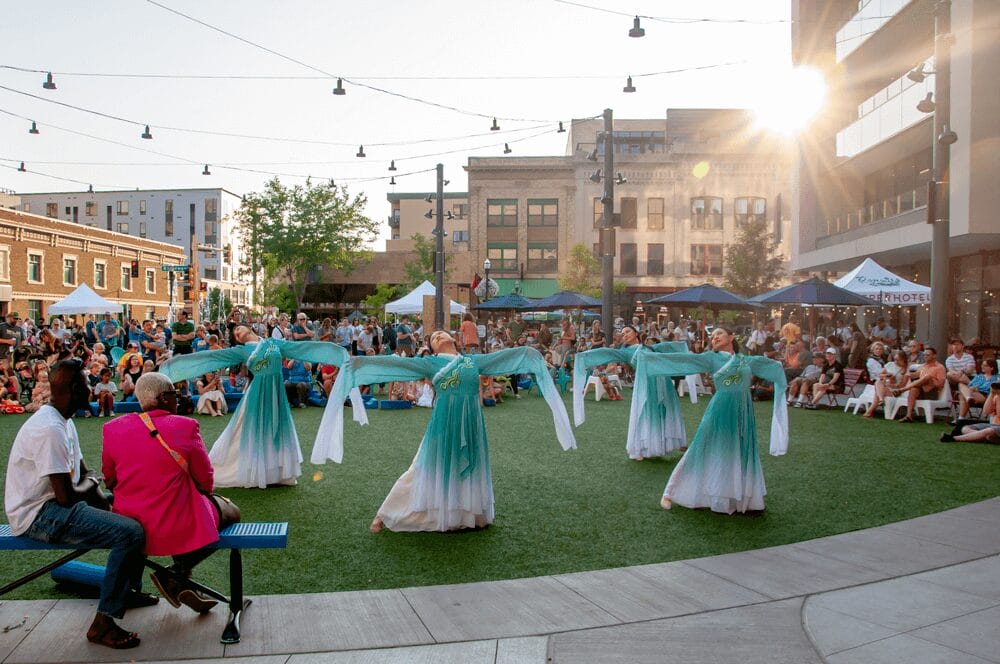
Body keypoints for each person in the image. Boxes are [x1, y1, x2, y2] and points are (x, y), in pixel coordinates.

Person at [313, 332, 575, 532]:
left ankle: (465, 516)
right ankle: (385, 513)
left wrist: (529, 353)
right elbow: (396, 365)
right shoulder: (430, 363)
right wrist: (359, 363)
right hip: (444, 422)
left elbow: (505, 358)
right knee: (423, 467)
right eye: (433, 337)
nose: (438, 335)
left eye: (441, 333)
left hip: (471, 423)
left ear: (453, 339)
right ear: (433, 347)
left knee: (467, 466)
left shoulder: (473, 361)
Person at [4, 359, 151, 649]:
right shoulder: (49, 428)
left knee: (134, 508)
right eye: (85, 384)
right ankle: (103, 623)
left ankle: (125, 592)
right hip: (39, 515)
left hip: (58, 505)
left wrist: (106, 502)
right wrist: (93, 484)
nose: (90, 389)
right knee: (130, 532)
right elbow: (67, 496)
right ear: (73, 389)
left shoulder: (64, 421)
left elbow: (84, 474)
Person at [160, 326, 363, 488]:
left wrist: (335, 352)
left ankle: (277, 474)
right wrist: (174, 365)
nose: (237, 332)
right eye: (235, 333)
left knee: (276, 430)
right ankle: (241, 470)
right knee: (247, 431)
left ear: (249, 328)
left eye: (239, 328)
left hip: (276, 392)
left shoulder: (274, 343)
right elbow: (211, 358)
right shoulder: (240, 351)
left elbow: (303, 348)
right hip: (258, 392)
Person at [631, 326, 789, 514]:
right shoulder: (710, 358)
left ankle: (735, 496)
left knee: (740, 450)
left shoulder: (745, 360)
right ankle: (670, 492)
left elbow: (769, 366)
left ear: (731, 336)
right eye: (712, 336)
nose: (714, 337)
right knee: (700, 446)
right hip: (720, 408)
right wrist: (648, 358)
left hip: (744, 411)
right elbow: (683, 360)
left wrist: (778, 366)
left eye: (719, 333)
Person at [102, 372, 221, 614]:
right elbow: (205, 478)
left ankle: (169, 579)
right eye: (175, 394)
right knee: (228, 512)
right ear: (165, 398)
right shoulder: (184, 425)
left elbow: (109, 478)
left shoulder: (112, 428)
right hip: (175, 522)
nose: (178, 398)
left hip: (130, 520)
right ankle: (177, 573)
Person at [573, 326, 689, 460]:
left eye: (627, 331)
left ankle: (675, 442)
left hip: (663, 382)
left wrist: (683, 348)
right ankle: (641, 448)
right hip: (646, 384)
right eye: (623, 334)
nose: (625, 335)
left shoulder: (649, 347)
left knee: (666, 410)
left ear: (636, 333)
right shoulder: (625, 352)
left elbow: (667, 348)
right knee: (646, 412)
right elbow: (607, 352)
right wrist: (584, 356)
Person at [892, 346, 945, 422]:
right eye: (924, 355)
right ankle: (908, 416)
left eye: (928, 355)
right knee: (914, 389)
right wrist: (907, 373)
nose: (925, 356)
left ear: (934, 356)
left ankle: (902, 390)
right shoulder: (923, 366)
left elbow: (940, 384)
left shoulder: (940, 367)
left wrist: (931, 380)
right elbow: (914, 375)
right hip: (921, 391)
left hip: (932, 392)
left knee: (927, 377)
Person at [864, 350, 910, 418]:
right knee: (878, 382)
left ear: (903, 360)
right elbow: (880, 375)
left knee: (879, 390)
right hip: (884, 387)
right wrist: (887, 376)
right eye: (895, 359)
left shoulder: (906, 369)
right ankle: (880, 401)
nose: (896, 362)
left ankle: (871, 409)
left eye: (898, 360)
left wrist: (892, 383)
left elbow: (902, 385)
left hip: (895, 391)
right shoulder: (890, 364)